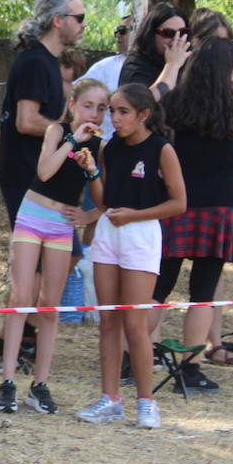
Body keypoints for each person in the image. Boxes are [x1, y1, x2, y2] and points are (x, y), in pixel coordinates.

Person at [0, 79, 108, 415]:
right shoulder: (57, 131)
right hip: (33, 214)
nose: (95, 114)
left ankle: (40, 384)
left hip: (61, 224)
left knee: (50, 306)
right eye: (88, 106)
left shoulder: (102, 146)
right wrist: (73, 141)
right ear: (72, 105)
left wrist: (90, 213)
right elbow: (44, 172)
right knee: (20, 298)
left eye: (101, 108)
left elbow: (107, 197)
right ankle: (7, 380)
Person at [75, 84, 185, 429]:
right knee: (108, 321)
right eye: (112, 111)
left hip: (141, 235)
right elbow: (105, 200)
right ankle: (110, 399)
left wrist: (135, 215)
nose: (114, 118)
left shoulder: (161, 149)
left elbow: (179, 203)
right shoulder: (111, 148)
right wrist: (91, 171)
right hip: (109, 233)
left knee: (135, 324)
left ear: (144, 115)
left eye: (122, 112)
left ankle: (147, 402)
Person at [146, 37, 233, 393]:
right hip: (223, 204)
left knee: (159, 287)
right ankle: (189, 372)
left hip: (178, 201)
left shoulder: (174, 102)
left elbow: (153, 123)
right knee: (204, 292)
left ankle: (133, 356)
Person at [0, 0, 85, 373]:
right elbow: (27, 121)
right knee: (31, 269)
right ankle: (9, 346)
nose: (84, 25)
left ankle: (16, 339)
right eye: (79, 17)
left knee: (66, 255)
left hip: (44, 179)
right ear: (58, 20)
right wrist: (70, 132)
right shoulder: (34, 62)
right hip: (24, 177)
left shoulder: (49, 62)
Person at [120, 2, 190, 100]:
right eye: (168, 33)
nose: (176, 39)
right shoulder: (135, 64)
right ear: (151, 34)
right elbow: (144, 103)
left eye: (183, 33)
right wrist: (172, 65)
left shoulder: (188, 63)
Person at [81, 14, 132, 139]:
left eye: (122, 31)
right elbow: (75, 94)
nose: (118, 35)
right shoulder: (105, 66)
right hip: (103, 142)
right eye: (117, 31)